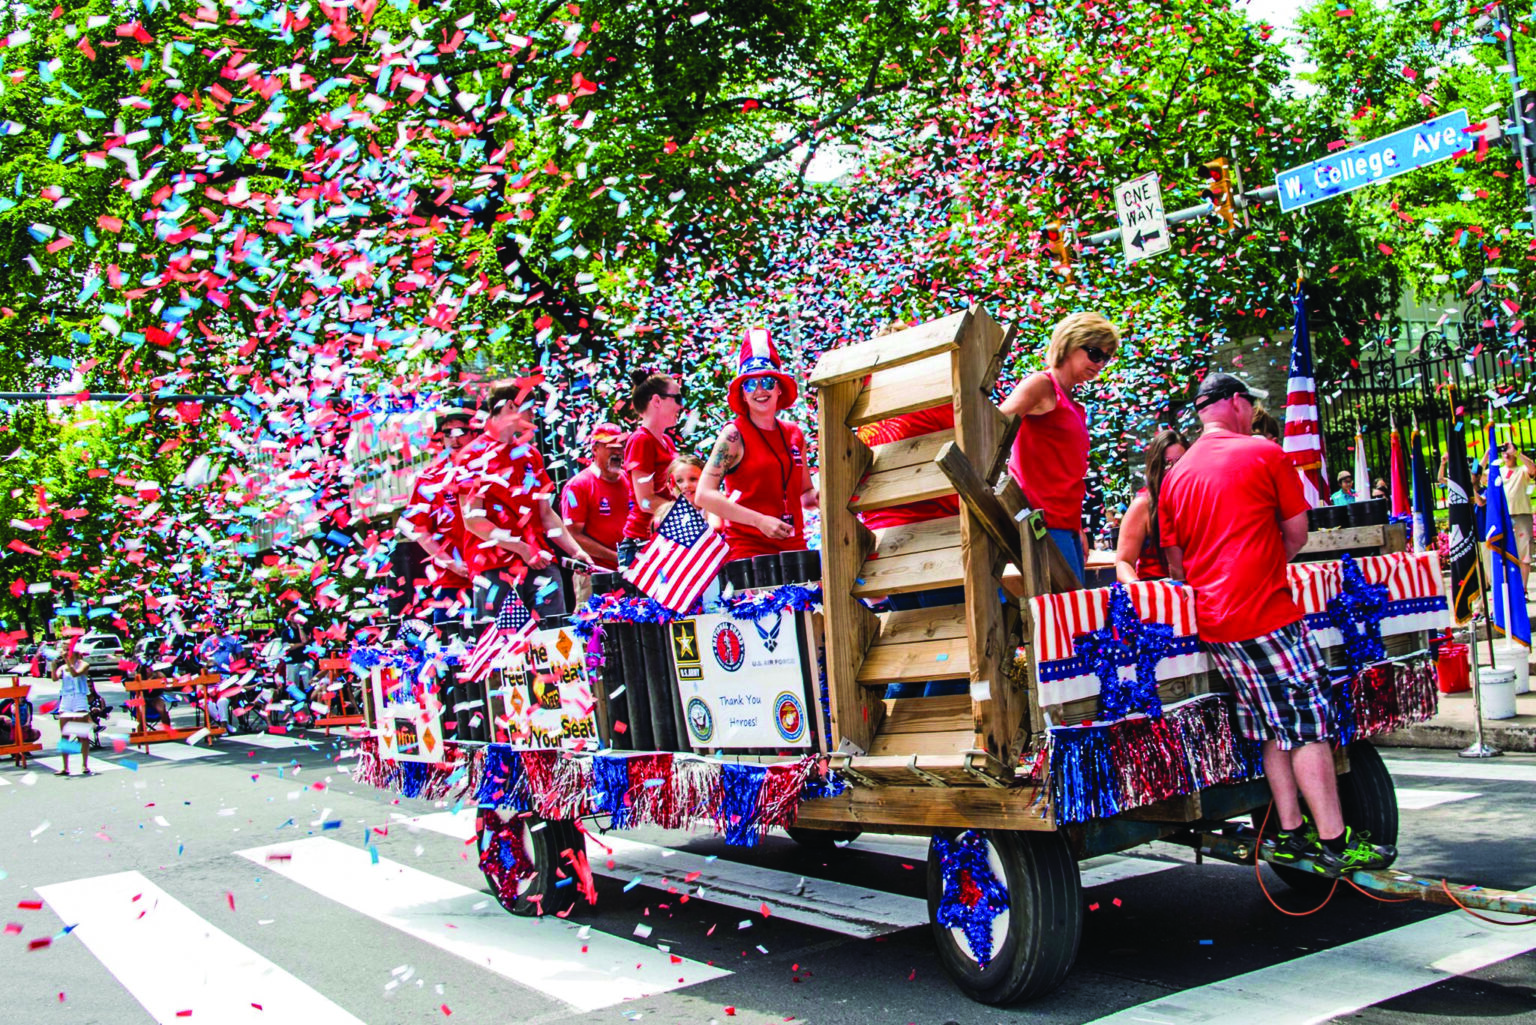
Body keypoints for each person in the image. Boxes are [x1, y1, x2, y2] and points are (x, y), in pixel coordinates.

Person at [1159, 373, 1394, 877]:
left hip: (1216, 621)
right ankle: (1334, 839)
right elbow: (1296, 532)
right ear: (1237, 403)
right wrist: (1264, 564)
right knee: (1308, 725)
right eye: (1251, 405)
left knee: (1270, 725)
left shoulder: (1175, 474)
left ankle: (1289, 833)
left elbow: (1175, 563)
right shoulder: (1263, 452)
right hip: (1265, 611)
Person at [453, 379, 592, 621]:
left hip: (541, 564)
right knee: (503, 649)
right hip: (494, 569)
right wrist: (522, 549)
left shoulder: (531, 455)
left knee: (555, 641)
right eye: (529, 407)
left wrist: (576, 550)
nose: (534, 413)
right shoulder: (471, 456)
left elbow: (546, 513)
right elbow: (472, 520)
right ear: (509, 406)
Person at [1000, 312, 1119, 584]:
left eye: (1106, 357)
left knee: (1071, 616)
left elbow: (1067, 473)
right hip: (1040, 523)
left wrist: (1078, 527)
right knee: (1062, 619)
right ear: (1069, 343)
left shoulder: (1073, 404)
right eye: (1095, 353)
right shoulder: (1041, 385)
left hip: (1064, 526)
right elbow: (991, 428)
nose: (1101, 363)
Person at [698, 328, 818, 562]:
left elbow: (806, 496)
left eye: (768, 381)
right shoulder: (733, 434)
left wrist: (831, 493)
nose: (760, 390)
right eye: (750, 384)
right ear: (742, 394)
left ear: (780, 387)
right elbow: (704, 494)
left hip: (794, 546)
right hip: (749, 551)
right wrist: (759, 520)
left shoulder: (794, 434)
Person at [398, 406, 478, 620]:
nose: (454, 439)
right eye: (446, 433)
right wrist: (453, 564)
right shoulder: (429, 478)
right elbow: (420, 531)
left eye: (460, 431)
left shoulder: (492, 470)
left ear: (474, 433)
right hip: (451, 582)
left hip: (496, 573)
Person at [619, 372, 684, 569]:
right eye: (678, 399)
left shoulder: (667, 442)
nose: (681, 406)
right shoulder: (641, 440)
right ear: (657, 400)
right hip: (643, 545)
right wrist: (689, 516)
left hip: (665, 538)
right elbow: (645, 500)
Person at [562, 421, 633, 602]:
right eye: (611, 447)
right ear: (595, 449)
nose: (618, 451)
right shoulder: (579, 485)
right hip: (594, 574)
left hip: (629, 572)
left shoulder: (629, 479)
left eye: (621, 446)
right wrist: (616, 557)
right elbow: (573, 535)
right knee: (594, 628)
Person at [1113, 428, 1189, 583]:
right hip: (1157, 593)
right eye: (1167, 464)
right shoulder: (1143, 505)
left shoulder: (1195, 499)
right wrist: (1141, 590)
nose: (1174, 470)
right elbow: (1123, 563)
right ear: (1156, 466)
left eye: (1180, 462)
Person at [51, 640, 94, 777]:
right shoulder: (63, 667)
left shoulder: (83, 664)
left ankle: (84, 764)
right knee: (65, 733)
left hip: (79, 697)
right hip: (66, 698)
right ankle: (65, 766)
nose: (65, 652)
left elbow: (76, 673)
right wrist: (53, 666)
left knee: (82, 733)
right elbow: (54, 679)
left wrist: (68, 661)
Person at [1500, 440, 1534, 588]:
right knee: (1504, 554)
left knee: (1524, 553)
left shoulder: (1522, 470)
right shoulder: (1497, 471)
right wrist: (1489, 453)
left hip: (1521, 516)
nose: (1505, 453)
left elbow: (1533, 469)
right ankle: (1510, 588)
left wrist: (1518, 453)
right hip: (1504, 517)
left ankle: (1524, 588)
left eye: (1507, 450)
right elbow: (1476, 478)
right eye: (1503, 450)